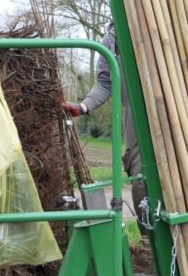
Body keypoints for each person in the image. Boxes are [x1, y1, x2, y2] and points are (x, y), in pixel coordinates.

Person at [61, 23, 149, 226]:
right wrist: (83, 106)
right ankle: (152, 242)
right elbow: (105, 82)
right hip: (135, 117)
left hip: (178, 111)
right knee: (140, 180)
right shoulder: (112, 39)